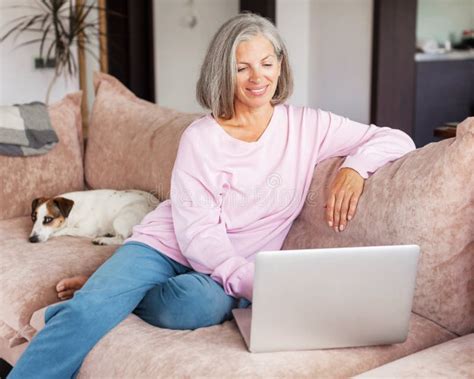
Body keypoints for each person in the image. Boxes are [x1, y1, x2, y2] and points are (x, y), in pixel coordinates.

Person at [8, 12, 415, 379]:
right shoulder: (201, 138)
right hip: (165, 246)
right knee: (88, 311)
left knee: (192, 308)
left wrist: (353, 169)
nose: (258, 78)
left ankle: (115, 291)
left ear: (280, 66)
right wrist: (250, 282)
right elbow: (197, 231)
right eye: (243, 68)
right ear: (224, 72)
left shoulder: (309, 126)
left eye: (267, 64)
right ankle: (106, 294)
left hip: (223, 269)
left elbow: (395, 138)